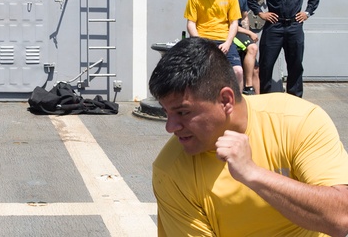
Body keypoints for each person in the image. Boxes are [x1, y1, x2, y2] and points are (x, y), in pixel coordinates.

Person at [149, 37, 348, 237]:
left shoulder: (297, 120)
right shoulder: (170, 171)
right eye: (167, 113)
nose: (170, 127)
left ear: (225, 100)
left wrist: (253, 174)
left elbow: (341, 218)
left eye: (183, 112)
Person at [245, 0, 320, 97]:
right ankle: (266, 98)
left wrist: (307, 12)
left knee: (295, 65)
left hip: (294, 26)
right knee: (266, 65)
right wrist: (261, 13)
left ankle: (295, 98)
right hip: (274, 26)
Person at [184, 0, 243, 87]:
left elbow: (234, 22)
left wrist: (228, 43)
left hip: (224, 40)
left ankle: (238, 103)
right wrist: (200, 42)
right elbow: (191, 23)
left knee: (238, 71)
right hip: (203, 40)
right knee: (200, 75)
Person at [225, 0, 260, 95]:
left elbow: (244, 18)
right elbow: (231, 24)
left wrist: (248, 35)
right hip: (230, 33)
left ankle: (258, 102)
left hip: (241, 33)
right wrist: (249, 33)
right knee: (252, 48)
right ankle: (248, 87)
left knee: (255, 69)